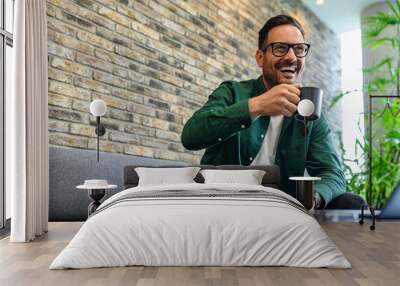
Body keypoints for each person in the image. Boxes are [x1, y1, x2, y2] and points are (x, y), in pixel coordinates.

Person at [181, 15, 348, 209]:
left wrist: (313, 198)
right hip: (222, 204)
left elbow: (332, 172)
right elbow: (191, 137)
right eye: (280, 48)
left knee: (351, 202)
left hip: (279, 210)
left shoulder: (309, 111)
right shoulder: (232, 92)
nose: (291, 57)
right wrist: (257, 106)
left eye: (299, 49)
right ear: (260, 58)